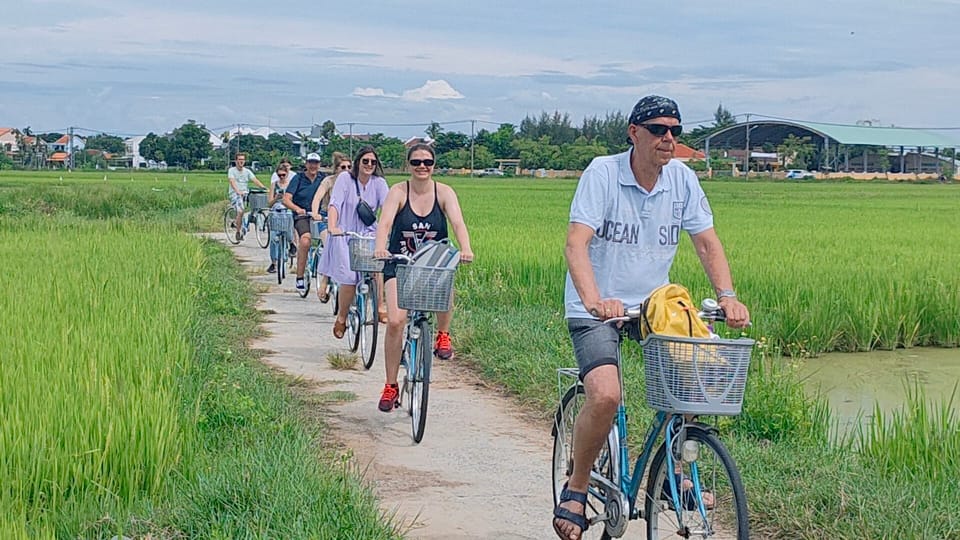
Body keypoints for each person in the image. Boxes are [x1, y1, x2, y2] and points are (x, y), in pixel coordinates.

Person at [553, 95, 751, 540]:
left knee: (693, 383)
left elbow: (706, 243)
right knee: (605, 395)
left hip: (652, 308)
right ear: (634, 133)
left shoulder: (681, 180)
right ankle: (579, 484)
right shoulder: (603, 173)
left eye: (675, 131)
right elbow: (575, 244)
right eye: (659, 130)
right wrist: (593, 300)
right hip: (598, 309)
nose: (668, 139)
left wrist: (728, 296)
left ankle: (671, 472)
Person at [373, 143, 473, 412]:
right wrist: (380, 247)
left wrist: (465, 248)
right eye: (416, 162)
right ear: (408, 165)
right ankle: (391, 385)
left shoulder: (444, 192)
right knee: (396, 320)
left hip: (431, 264)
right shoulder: (398, 192)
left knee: (446, 279)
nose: (422, 167)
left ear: (434, 165)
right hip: (400, 264)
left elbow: (457, 223)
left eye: (427, 162)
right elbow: (384, 223)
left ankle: (443, 334)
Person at [323, 145, 389, 339]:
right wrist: (333, 226)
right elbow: (335, 203)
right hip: (345, 234)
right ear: (358, 162)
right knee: (350, 278)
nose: (369, 165)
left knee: (377, 268)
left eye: (373, 162)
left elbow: (388, 208)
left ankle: (380, 306)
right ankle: (342, 318)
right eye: (365, 161)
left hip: (369, 234)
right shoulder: (345, 179)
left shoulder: (379, 183)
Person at [311, 151, 352, 302]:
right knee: (331, 243)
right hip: (326, 218)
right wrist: (315, 213)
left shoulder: (354, 183)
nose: (346, 170)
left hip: (346, 222)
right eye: (343, 167)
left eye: (349, 167)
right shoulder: (329, 181)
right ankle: (325, 281)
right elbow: (317, 197)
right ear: (336, 169)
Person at [282, 153, 325, 291]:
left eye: (316, 163)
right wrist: (297, 209)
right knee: (305, 241)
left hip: (319, 215)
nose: (313, 166)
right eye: (310, 163)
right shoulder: (298, 178)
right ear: (306, 164)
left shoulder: (323, 179)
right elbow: (286, 199)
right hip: (303, 215)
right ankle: (299, 277)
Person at [227, 152, 266, 241]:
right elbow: (232, 182)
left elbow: (255, 180)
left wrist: (263, 187)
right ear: (236, 161)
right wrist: (237, 191)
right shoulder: (232, 171)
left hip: (246, 192)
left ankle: (250, 220)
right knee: (240, 211)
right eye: (239, 160)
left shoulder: (247, 171)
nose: (241, 162)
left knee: (256, 204)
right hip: (235, 194)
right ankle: (238, 231)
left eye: (243, 160)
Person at [266, 163, 295, 274]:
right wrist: (276, 198)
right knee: (273, 238)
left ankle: (291, 242)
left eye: (284, 175)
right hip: (276, 211)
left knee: (288, 230)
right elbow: (269, 203)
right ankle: (274, 262)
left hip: (287, 211)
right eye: (279, 175)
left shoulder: (291, 185)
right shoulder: (274, 185)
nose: (282, 177)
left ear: (287, 174)